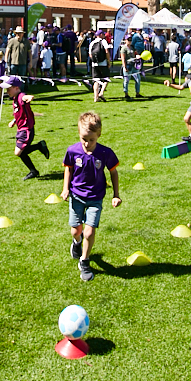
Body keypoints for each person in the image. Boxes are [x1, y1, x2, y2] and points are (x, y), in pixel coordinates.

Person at [61, 111, 121, 282]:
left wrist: (116, 195)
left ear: (99, 135)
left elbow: (113, 172)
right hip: (76, 196)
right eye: (84, 139)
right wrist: (65, 189)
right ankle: (76, 243)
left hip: (95, 197)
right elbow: (68, 169)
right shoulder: (72, 151)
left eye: (91, 140)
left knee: (89, 232)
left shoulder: (105, 153)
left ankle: (84, 261)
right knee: (76, 230)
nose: (87, 143)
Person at [2, 75, 50, 180]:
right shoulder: (14, 99)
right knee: (20, 152)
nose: (7, 91)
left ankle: (38, 151)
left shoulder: (20, 96)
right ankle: (34, 170)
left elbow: (25, 97)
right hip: (21, 129)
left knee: (18, 152)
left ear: (16, 88)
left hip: (26, 129)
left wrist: (29, 97)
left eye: (9, 89)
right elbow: (20, 113)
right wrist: (14, 121)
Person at [88, 30, 111, 102]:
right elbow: (106, 51)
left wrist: (94, 61)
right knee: (106, 78)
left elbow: (90, 54)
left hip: (94, 64)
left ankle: (95, 97)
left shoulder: (92, 43)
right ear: (101, 35)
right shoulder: (103, 41)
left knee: (96, 80)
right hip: (103, 63)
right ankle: (101, 93)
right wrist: (108, 61)